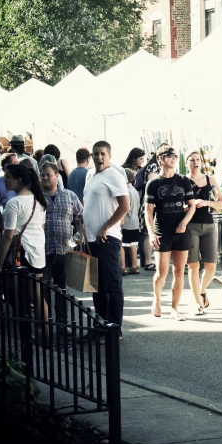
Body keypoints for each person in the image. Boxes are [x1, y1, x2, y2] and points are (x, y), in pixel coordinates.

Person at [0, 163, 49, 343]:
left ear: (19, 180)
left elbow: (8, 235)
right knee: (37, 293)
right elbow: (41, 227)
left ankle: (26, 333)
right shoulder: (38, 200)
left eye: (8, 177)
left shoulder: (13, 203)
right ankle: (46, 332)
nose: (4, 180)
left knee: (19, 294)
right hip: (37, 251)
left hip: (21, 251)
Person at [83, 141, 130, 334]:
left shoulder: (114, 176)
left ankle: (114, 329)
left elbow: (124, 206)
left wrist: (105, 226)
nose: (99, 157)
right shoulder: (93, 176)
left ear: (109, 155)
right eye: (96, 154)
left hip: (107, 239)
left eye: (103, 154)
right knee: (97, 286)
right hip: (92, 240)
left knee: (111, 285)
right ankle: (101, 325)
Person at [145, 145, 196, 320]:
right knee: (161, 272)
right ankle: (157, 299)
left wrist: (184, 222)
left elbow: (192, 206)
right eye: (169, 155)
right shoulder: (153, 183)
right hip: (162, 231)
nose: (174, 158)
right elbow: (148, 211)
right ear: (160, 159)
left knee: (179, 270)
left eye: (175, 155)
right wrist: (151, 233)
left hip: (181, 231)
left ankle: (175, 308)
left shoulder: (183, 180)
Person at [40, 161, 82, 325]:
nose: (45, 178)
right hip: (42, 251)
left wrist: (75, 240)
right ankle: (45, 323)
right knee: (42, 289)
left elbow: (80, 219)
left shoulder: (70, 196)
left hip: (64, 250)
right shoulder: (37, 197)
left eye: (48, 175)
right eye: (42, 175)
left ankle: (63, 324)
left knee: (62, 290)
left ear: (57, 176)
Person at [185, 151, 222, 315]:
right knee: (193, 266)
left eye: (197, 160)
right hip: (191, 226)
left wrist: (205, 202)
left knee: (211, 267)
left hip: (209, 226)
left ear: (201, 162)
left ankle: (201, 290)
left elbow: (221, 203)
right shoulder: (183, 182)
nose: (195, 162)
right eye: (191, 160)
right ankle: (198, 303)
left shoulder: (211, 181)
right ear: (186, 162)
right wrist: (190, 205)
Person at [135, 144, 166, 272]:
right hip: (151, 203)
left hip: (152, 203)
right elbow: (153, 182)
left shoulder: (152, 165)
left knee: (147, 232)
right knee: (149, 232)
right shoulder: (154, 166)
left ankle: (146, 260)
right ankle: (148, 261)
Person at [121, 168, 141, 276]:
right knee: (133, 244)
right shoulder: (135, 191)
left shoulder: (126, 192)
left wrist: (121, 219)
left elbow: (125, 207)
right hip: (135, 221)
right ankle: (134, 266)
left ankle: (123, 266)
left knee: (122, 245)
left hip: (127, 221)